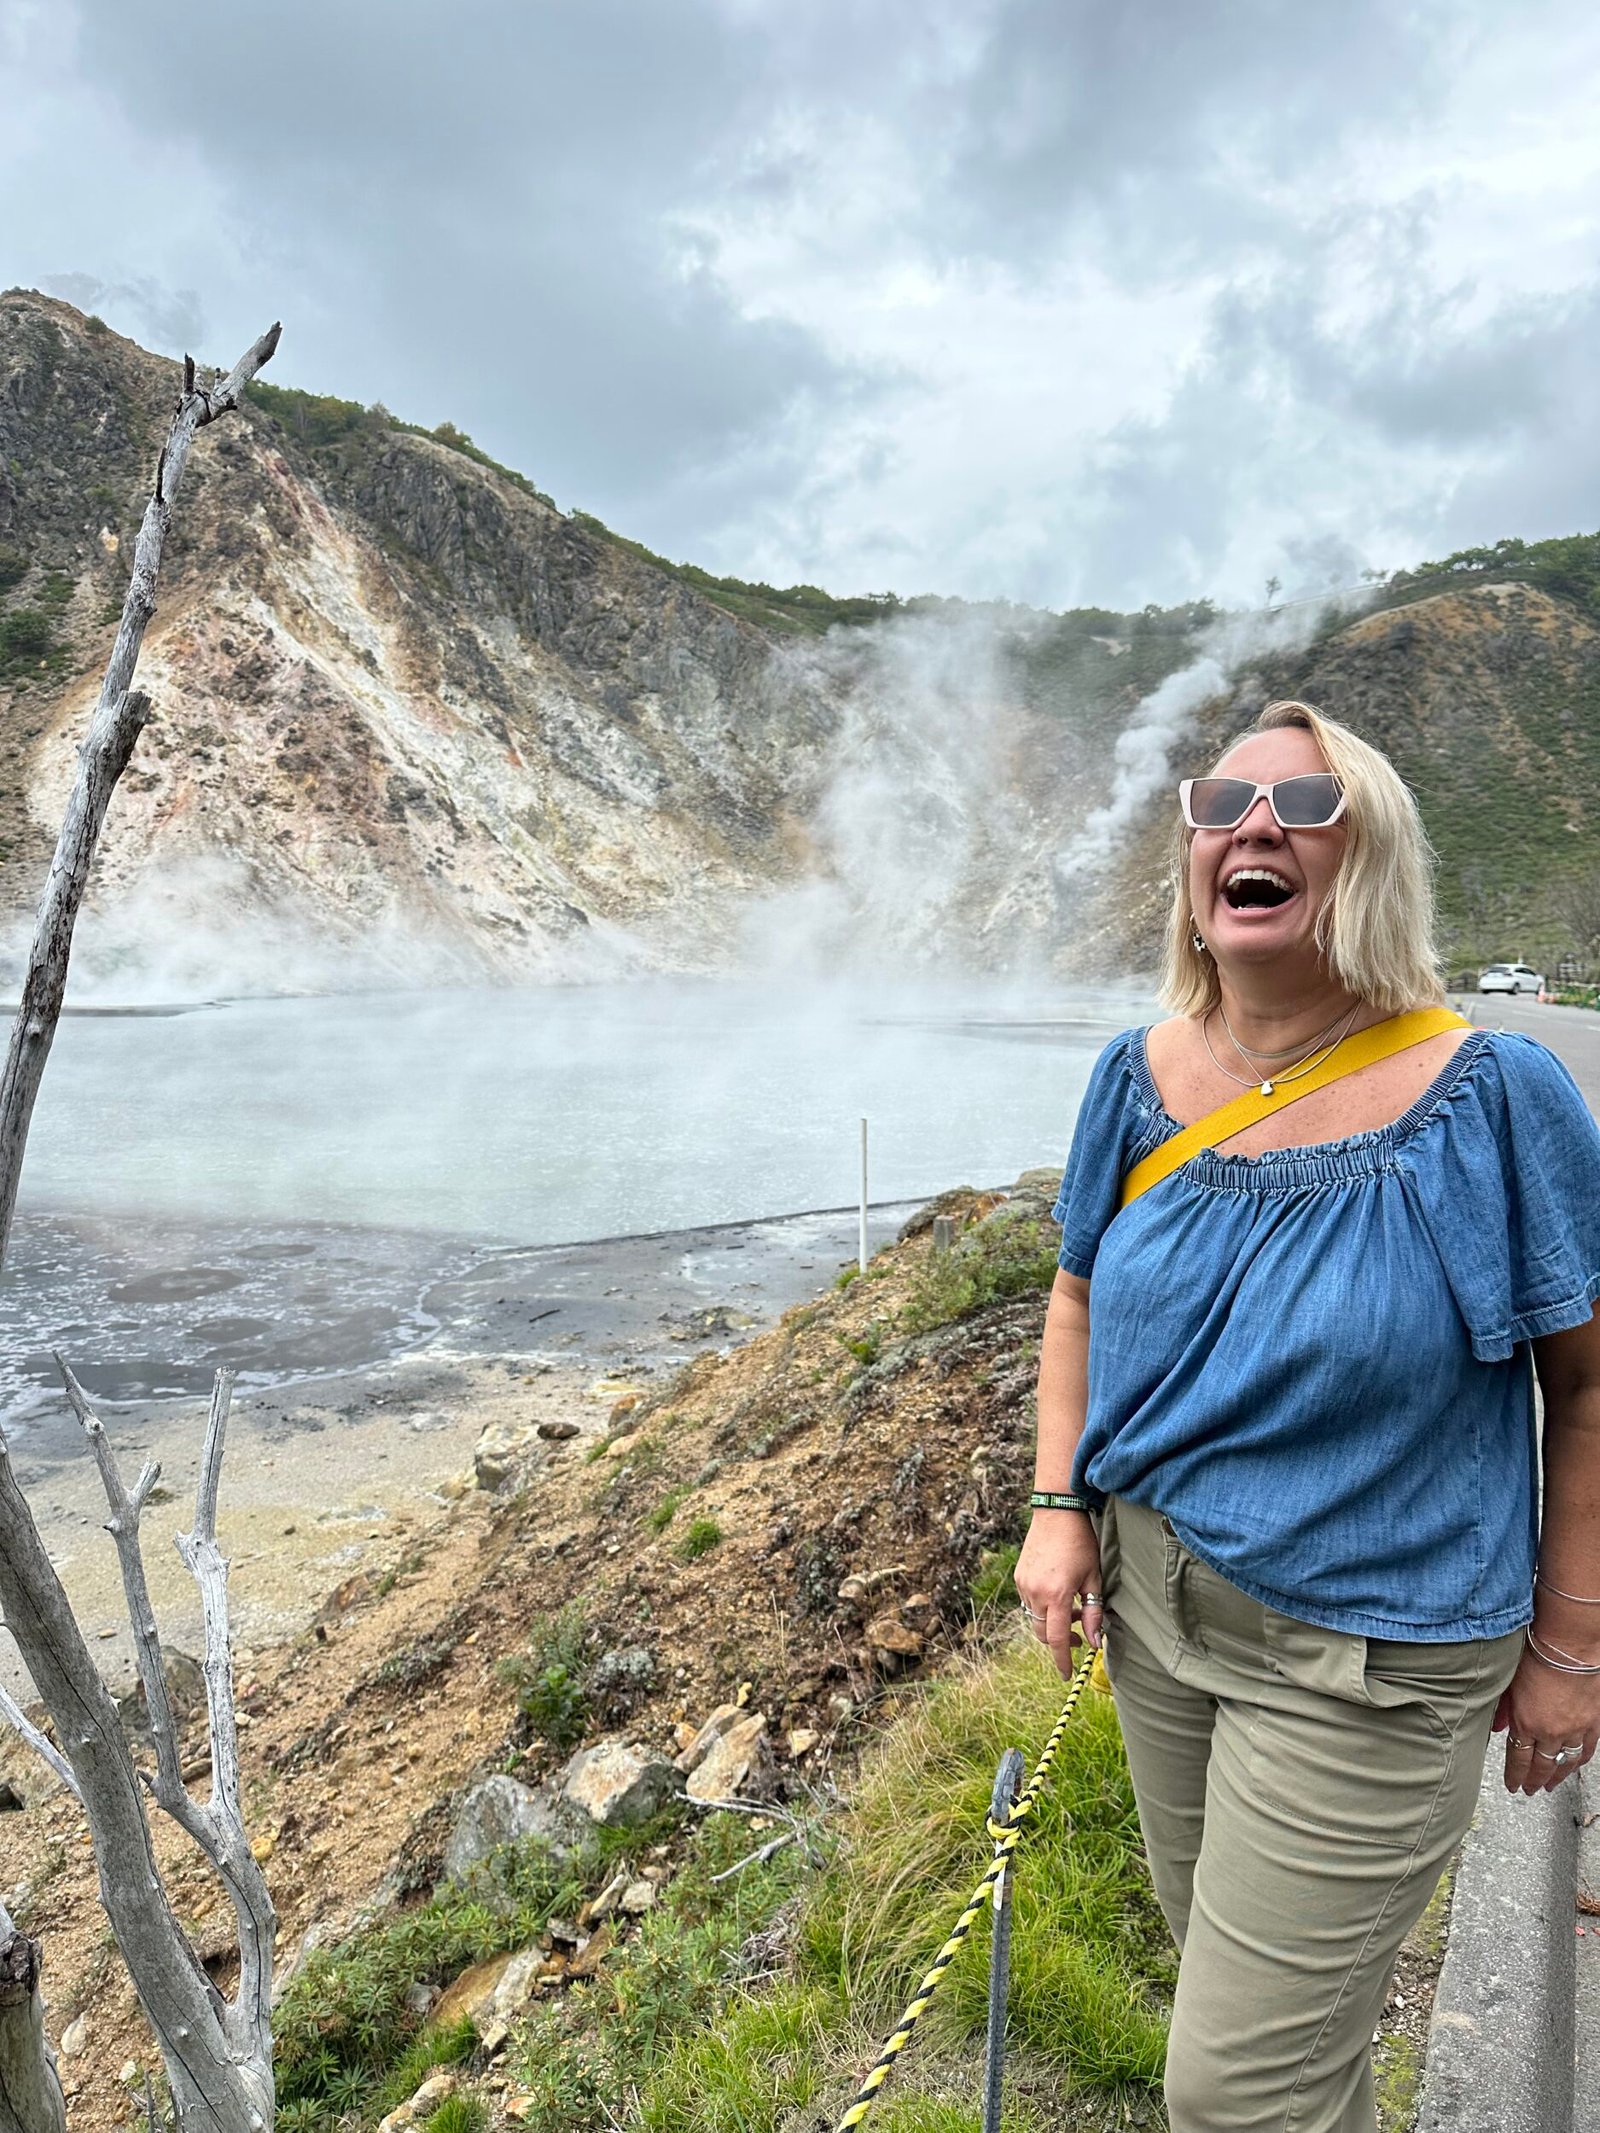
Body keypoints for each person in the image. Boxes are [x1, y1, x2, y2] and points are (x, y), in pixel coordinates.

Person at [1016, 698, 1600, 2133]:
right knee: (1285, 2036)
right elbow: (1078, 1296)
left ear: (1371, 858)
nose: (1254, 827)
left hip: (1373, 1661)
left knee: (1230, 2088)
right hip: (1159, 1625)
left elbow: (1586, 1387)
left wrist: (1572, 1645)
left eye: (1304, 807)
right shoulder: (1132, 1079)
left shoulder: (1495, 1099)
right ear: (1195, 869)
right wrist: (1056, 1506)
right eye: (1222, 804)